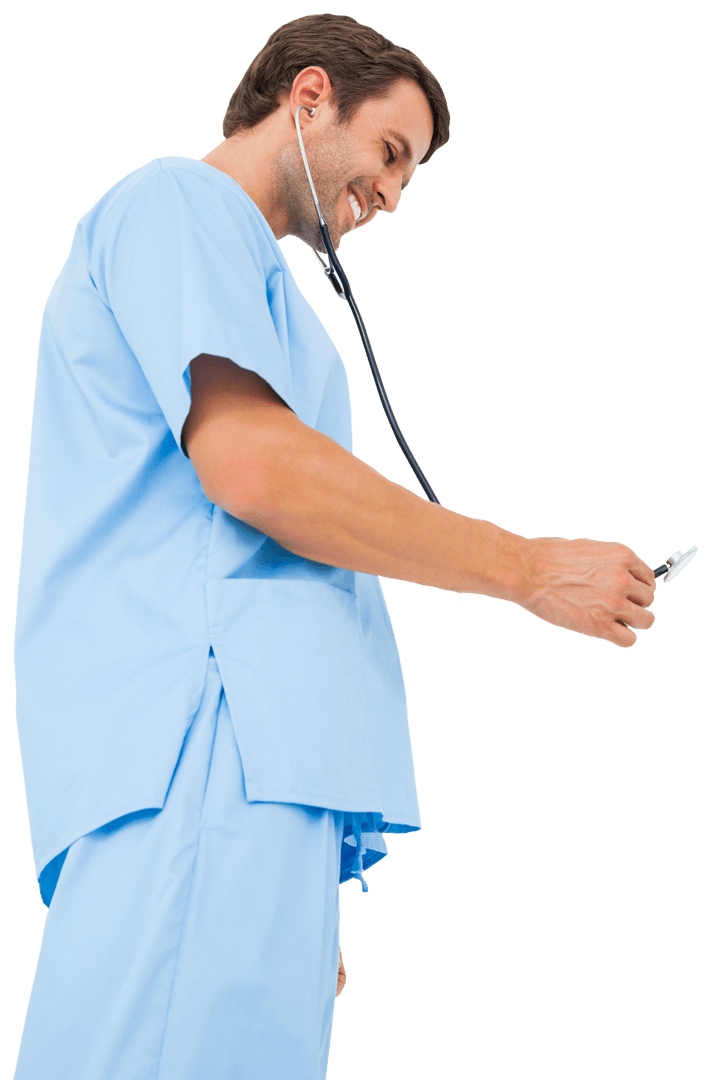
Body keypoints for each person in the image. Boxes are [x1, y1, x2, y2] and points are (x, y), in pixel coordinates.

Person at [12, 12, 656, 1080]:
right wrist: (528, 567)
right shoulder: (178, 204)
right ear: (309, 96)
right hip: (203, 760)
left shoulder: (275, 302)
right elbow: (257, 473)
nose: (394, 196)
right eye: (389, 154)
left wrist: (304, 865)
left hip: (257, 795)